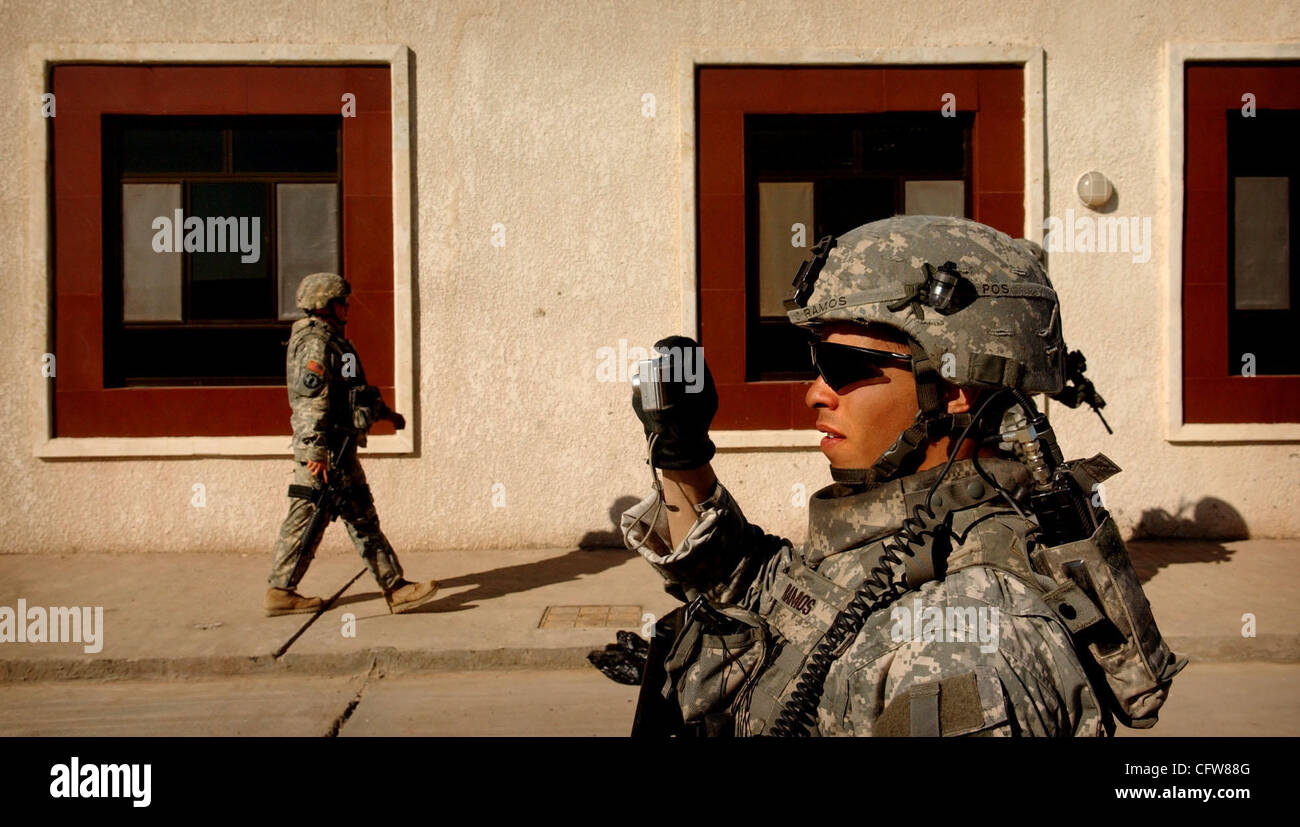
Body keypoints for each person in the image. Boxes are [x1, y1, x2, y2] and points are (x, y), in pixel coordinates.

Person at [622, 215, 1184, 736]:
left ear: (955, 387)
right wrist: (679, 451)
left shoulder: (971, 645)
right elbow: (765, 587)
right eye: (814, 362)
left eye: (843, 367)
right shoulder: (901, 531)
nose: (815, 391)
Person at [265, 272, 439, 617]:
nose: (347, 307)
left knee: (360, 517)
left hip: (340, 450)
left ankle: (395, 588)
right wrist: (314, 450)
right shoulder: (315, 343)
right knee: (312, 520)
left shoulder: (336, 342)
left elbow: (354, 390)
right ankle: (282, 592)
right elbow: (310, 399)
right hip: (326, 453)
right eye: (342, 302)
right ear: (326, 305)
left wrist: (386, 414)